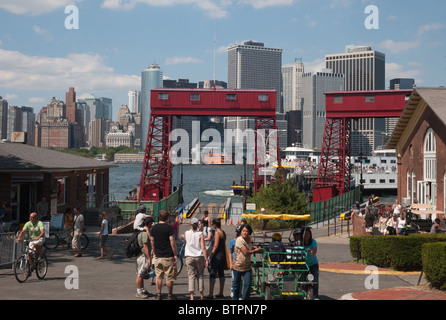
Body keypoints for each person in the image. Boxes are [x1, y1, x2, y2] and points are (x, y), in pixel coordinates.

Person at [150, 209, 178, 300]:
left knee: (159, 276)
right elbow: (172, 242)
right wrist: (175, 254)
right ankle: (170, 295)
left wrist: (153, 250)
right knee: (169, 276)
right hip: (168, 255)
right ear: (167, 218)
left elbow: (152, 241)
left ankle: (159, 294)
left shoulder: (154, 228)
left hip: (158, 255)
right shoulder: (169, 227)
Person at [232, 224, 260, 300]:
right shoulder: (239, 240)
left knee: (247, 285)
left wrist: (256, 247)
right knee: (236, 287)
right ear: (240, 232)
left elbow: (249, 246)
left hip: (247, 267)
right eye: (243, 231)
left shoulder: (249, 239)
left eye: (246, 231)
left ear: (249, 232)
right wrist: (255, 250)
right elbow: (246, 252)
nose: (244, 232)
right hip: (238, 266)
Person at [183, 217, 208, 300]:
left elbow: (185, 238)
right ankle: (201, 294)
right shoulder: (200, 234)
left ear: (190, 224)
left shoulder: (186, 233)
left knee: (191, 276)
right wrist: (206, 259)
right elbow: (203, 248)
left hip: (189, 256)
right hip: (199, 256)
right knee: (200, 275)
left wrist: (183, 236)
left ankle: (192, 296)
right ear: (197, 225)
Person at [207, 218, 226, 299]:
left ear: (215, 225)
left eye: (212, 224)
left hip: (217, 256)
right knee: (221, 273)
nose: (212, 225)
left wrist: (210, 256)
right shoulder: (223, 232)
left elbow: (215, 246)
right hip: (223, 256)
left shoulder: (217, 233)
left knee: (212, 274)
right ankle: (221, 292)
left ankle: (210, 293)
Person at [135, 217, 154, 299]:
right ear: (149, 223)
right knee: (140, 274)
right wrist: (149, 258)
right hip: (143, 256)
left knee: (142, 274)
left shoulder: (141, 232)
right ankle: (139, 291)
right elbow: (145, 247)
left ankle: (142, 290)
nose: (152, 225)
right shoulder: (144, 234)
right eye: (151, 223)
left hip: (140, 255)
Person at [301, 227, 319, 300]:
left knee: (315, 280)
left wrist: (310, 252)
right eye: (305, 234)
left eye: (308, 233)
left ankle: (315, 296)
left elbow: (314, 251)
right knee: (304, 280)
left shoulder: (313, 242)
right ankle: (305, 293)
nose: (306, 235)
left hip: (313, 263)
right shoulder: (300, 242)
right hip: (304, 264)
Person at [229, 223, 243, 298]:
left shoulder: (243, 241)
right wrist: (230, 263)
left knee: (240, 280)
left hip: (241, 262)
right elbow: (230, 252)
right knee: (234, 279)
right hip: (234, 262)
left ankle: (239, 293)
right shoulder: (232, 241)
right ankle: (232, 291)